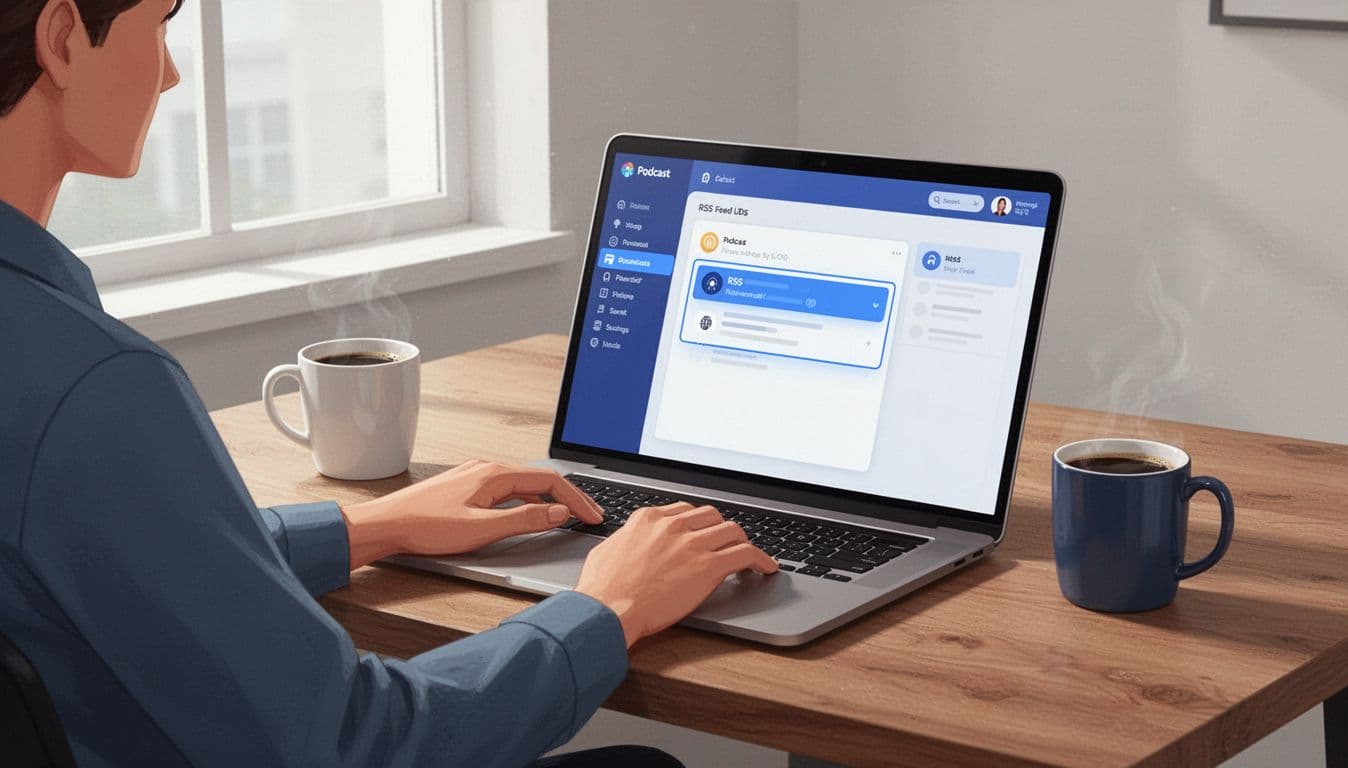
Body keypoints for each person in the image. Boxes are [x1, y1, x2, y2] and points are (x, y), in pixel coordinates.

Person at [0, 2, 778, 766]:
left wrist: (369, 528)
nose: (170, 74)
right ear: (64, 37)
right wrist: (609, 606)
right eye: (164, 23)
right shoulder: (96, 387)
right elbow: (356, 741)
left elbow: (124, 553)